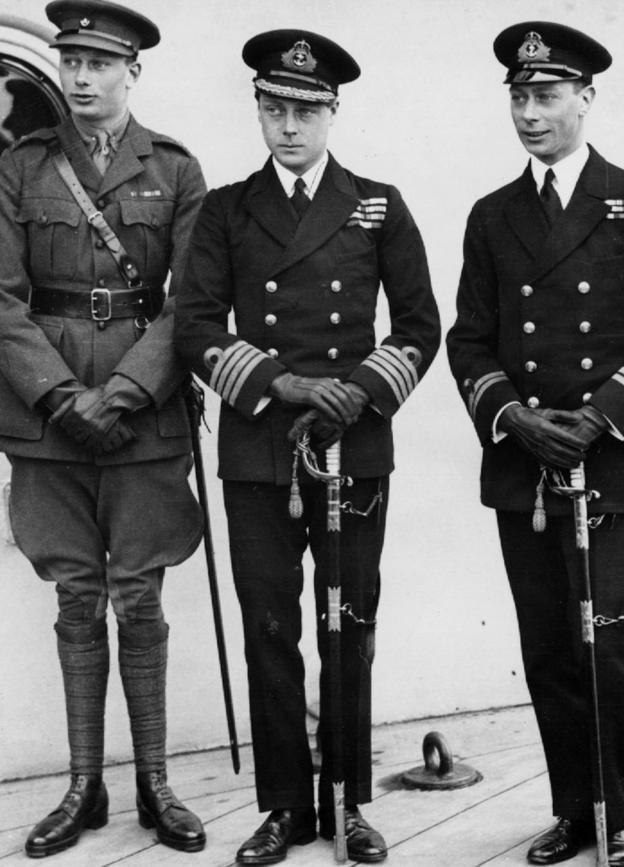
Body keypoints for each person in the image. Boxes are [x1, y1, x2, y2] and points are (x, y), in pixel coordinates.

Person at [174, 28, 440, 865]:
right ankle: (287, 803)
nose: (288, 126)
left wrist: (355, 391)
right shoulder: (225, 208)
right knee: (268, 626)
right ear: (256, 109)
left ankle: (349, 800)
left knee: (348, 624)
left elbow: (422, 324)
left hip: (352, 448)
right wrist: (281, 384)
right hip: (260, 447)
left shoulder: (379, 204)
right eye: (274, 108)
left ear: (334, 112)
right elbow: (195, 324)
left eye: (305, 110)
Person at [0, 0, 207, 857]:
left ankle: (154, 782)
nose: (81, 78)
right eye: (72, 62)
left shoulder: (178, 169)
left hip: (141, 414)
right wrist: (56, 397)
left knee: (141, 593)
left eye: (98, 63)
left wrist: (120, 393)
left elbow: (191, 303)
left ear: (132, 73)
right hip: (44, 415)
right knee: (76, 595)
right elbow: (1, 301)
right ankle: (83, 785)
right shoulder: (20, 168)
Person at [447, 21, 624, 867]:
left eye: (547, 96)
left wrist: (600, 414)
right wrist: (513, 417)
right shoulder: (493, 216)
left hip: (615, 459)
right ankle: (576, 811)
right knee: (548, 647)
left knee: (603, 639)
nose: (531, 113)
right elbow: (471, 341)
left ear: (586, 99)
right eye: (520, 98)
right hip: (525, 469)